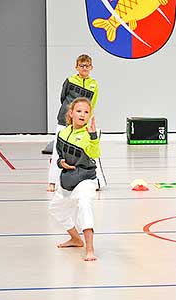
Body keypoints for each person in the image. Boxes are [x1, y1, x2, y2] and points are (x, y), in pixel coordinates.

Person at [48, 97, 100, 261]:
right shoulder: (62, 133)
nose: (83, 114)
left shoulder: (89, 134)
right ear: (71, 113)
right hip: (67, 180)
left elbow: (94, 154)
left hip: (85, 179)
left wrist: (92, 136)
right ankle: (76, 239)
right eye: (79, 111)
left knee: (84, 205)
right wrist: (61, 162)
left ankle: (90, 249)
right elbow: (59, 156)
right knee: (56, 209)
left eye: (86, 112)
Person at [47, 54, 102, 192]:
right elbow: (63, 97)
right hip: (64, 121)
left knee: (88, 151)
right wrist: (69, 115)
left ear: (91, 67)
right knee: (57, 152)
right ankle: (52, 182)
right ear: (76, 67)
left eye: (87, 66)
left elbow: (91, 104)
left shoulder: (94, 84)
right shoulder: (70, 80)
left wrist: (84, 120)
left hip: (82, 125)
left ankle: (96, 181)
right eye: (81, 66)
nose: (84, 68)